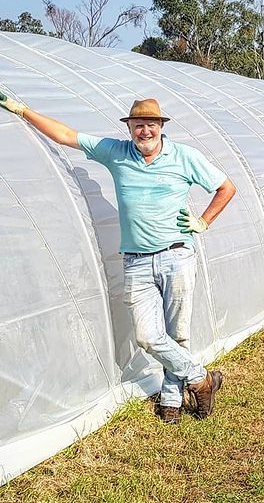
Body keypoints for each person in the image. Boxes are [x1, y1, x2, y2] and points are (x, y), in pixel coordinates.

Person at [0, 93, 236, 424]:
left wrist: (203, 222)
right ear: (130, 128)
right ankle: (202, 379)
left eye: (151, 124)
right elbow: (67, 136)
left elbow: (226, 187)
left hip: (177, 256)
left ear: (161, 126)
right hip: (137, 261)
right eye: (139, 125)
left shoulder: (185, 156)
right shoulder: (116, 153)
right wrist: (22, 110)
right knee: (148, 336)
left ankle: (170, 400)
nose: (145, 131)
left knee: (177, 333)